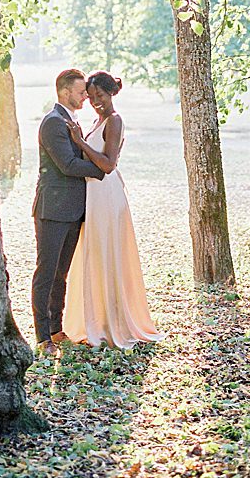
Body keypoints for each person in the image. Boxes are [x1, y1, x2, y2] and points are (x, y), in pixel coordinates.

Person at [62, 70, 163, 349]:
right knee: (96, 255)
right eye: (91, 97)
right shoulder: (98, 120)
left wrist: (80, 142)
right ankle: (99, 319)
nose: (96, 102)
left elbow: (108, 165)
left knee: (108, 254)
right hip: (93, 197)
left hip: (107, 194)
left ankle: (115, 322)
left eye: (101, 96)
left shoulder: (115, 121)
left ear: (111, 93)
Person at [31, 68, 105, 357]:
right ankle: (42, 336)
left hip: (73, 210)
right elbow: (67, 165)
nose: (85, 96)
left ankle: (56, 330)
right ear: (64, 92)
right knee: (46, 273)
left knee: (61, 274)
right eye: (80, 91)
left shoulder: (71, 120)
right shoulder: (53, 123)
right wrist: (104, 167)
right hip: (52, 209)